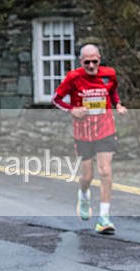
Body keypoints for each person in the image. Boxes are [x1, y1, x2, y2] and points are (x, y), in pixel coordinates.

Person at [52, 44, 128, 234]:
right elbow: (56, 99)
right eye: (87, 63)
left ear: (100, 59)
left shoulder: (109, 74)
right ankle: (84, 195)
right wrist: (72, 110)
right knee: (88, 176)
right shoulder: (73, 77)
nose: (92, 66)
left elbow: (112, 92)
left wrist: (118, 105)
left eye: (95, 61)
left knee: (105, 171)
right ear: (81, 62)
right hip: (84, 133)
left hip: (105, 129)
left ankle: (104, 218)